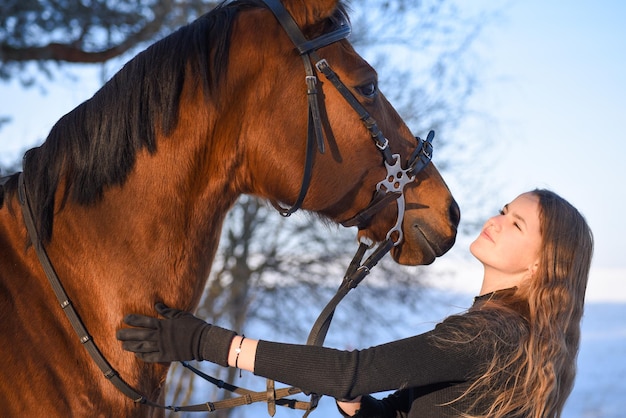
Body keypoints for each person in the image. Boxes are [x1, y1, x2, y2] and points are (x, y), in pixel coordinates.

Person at [117, 189, 593, 417]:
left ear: (540, 267)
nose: (495, 219)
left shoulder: (490, 334)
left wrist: (205, 340)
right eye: (505, 210)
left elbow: (353, 372)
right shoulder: (508, 334)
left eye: (516, 226)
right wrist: (361, 408)